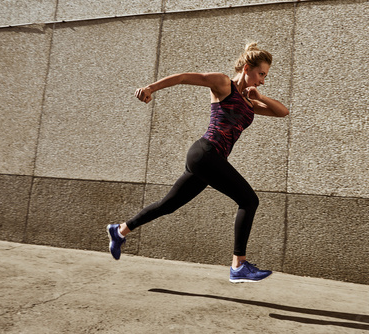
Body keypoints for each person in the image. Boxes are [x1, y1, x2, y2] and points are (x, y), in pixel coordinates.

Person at [107, 42, 289, 283]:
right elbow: (183, 77)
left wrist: (260, 96)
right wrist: (150, 88)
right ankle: (239, 265)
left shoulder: (250, 104)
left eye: (265, 76)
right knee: (249, 200)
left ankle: (120, 231)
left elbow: (282, 112)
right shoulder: (224, 84)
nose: (263, 80)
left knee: (168, 205)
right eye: (261, 74)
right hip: (206, 152)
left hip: (209, 160)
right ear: (247, 68)